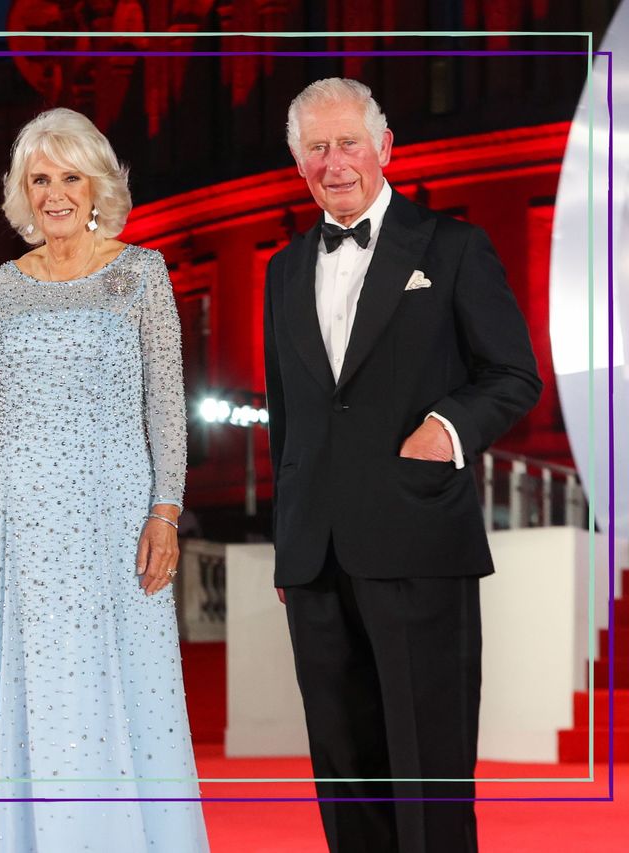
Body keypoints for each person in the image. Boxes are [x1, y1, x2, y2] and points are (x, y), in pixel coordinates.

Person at [263, 78, 541, 853]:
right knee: (344, 770)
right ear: (297, 163)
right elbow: (288, 414)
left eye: (349, 142)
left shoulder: (451, 246)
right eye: (316, 147)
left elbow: (513, 374)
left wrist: (448, 426)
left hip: (419, 539)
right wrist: (289, 543)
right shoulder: (283, 269)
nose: (335, 161)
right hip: (315, 553)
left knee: (429, 765)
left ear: (385, 148)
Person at [0, 107, 208, 852]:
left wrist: (166, 510)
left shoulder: (141, 274)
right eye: (39, 178)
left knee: (113, 680)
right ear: (23, 190)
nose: (54, 192)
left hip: (114, 514)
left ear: (97, 185)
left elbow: (165, 405)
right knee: (26, 684)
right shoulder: (0, 289)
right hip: (22, 520)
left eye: (69, 175)